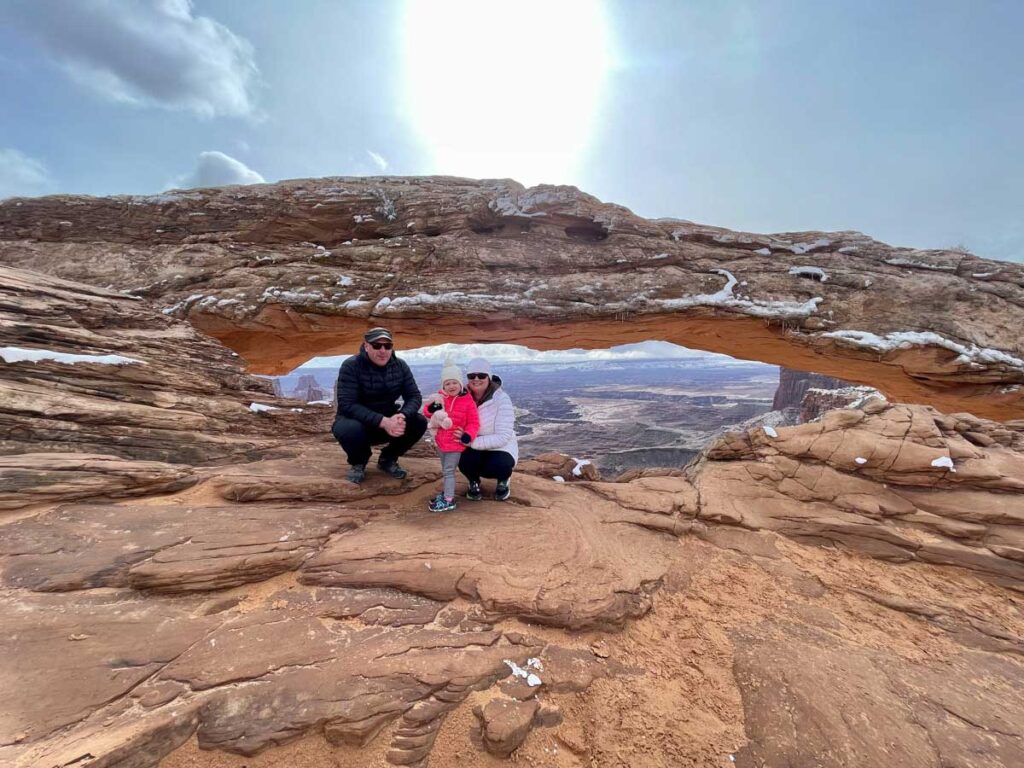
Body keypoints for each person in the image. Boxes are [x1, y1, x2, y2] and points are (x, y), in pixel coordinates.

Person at [332, 327, 427, 484]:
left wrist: (402, 415)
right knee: (348, 429)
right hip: (358, 423)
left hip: (388, 421)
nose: (383, 350)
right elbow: (347, 404)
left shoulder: (400, 366)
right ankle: (359, 462)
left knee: (418, 422)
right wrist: (383, 421)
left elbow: (414, 396)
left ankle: (388, 459)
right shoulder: (351, 366)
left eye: (387, 346)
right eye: (377, 345)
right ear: (366, 346)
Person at [422, 358, 479, 513]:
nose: (451, 386)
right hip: (441, 442)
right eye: (447, 383)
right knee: (445, 470)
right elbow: (427, 412)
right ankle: (447, 494)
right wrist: (432, 408)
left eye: (454, 382)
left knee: (448, 471)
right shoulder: (441, 397)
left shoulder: (468, 402)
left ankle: (449, 500)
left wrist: (468, 435)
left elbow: (474, 423)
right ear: (443, 385)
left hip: (455, 444)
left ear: (460, 383)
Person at [457, 357, 518, 501]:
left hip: (500, 447)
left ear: (489, 377)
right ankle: (474, 481)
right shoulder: (461, 398)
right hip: (473, 444)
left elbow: (503, 437)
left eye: (482, 375)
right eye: (472, 376)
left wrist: (471, 442)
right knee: (462, 460)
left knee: (499, 465)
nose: (476, 379)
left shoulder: (501, 399)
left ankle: (503, 480)